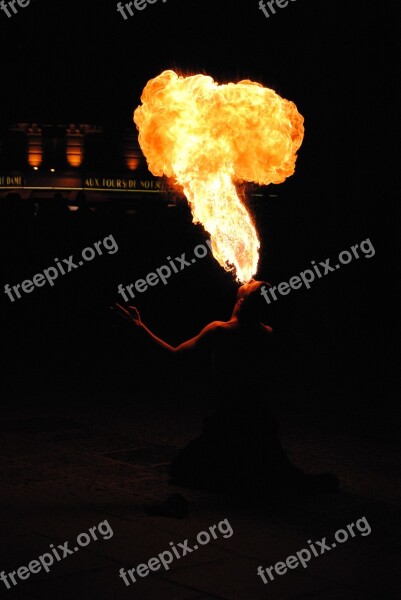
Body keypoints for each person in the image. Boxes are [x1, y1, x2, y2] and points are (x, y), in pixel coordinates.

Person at [114, 279, 338, 497]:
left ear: (241, 301)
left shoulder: (219, 330)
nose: (250, 279)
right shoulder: (266, 332)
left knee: (183, 471)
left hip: (229, 419)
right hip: (257, 419)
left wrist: (139, 328)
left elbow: (174, 355)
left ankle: (241, 483)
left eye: (253, 285)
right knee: (272, 473)